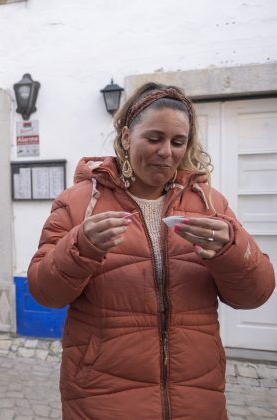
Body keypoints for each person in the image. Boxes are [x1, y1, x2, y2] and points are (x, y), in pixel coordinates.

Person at [27, 82, 275, 419]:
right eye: (154, 138)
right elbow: (45, 292)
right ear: (127, 137)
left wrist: (231, 250)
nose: (166, 152)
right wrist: (80, 248)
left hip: (196, 398)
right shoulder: (79, 202)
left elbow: (254, 295)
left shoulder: (209, 203)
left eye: (177, 142)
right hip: (104, 397)